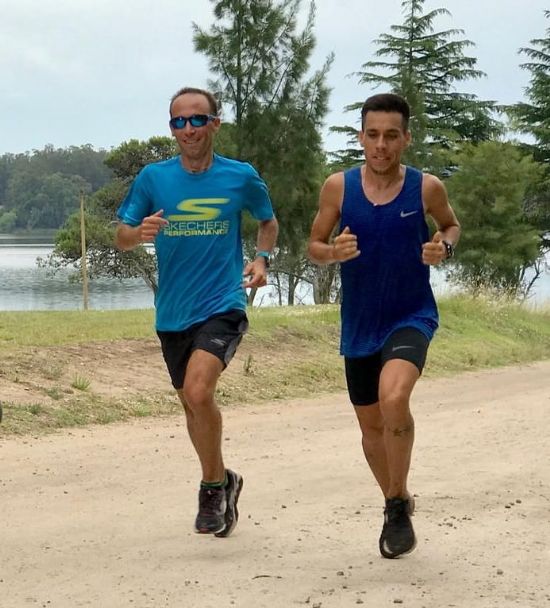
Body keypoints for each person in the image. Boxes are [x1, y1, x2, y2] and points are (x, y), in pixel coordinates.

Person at [115, 86, 278, 538]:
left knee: (199, 391)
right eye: (178, 122)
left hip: (223, 302)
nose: (187, 129)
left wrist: (262, 259)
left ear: (214, 124)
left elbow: (268, 220)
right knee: (191, 402)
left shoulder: (240, 176)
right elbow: (122, 235)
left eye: (196, 119)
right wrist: (139, 233)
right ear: (172, 128)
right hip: (172, 313)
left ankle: (210, 488)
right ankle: (225, 479)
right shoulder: (153, 178)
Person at [308, 93, 460, 558]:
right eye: (372, 135)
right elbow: (314, 243)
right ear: (361, 138)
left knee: (395, 397)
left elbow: (451, 227)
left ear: (406, 139)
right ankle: (397, 498)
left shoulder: (425, 188)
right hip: (359, 324)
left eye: (391, 136)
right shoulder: (338, 188)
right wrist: (332, 253)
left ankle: (395, 511)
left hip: (410, 315)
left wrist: (443, 248)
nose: (381, 145)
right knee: (371, 428)